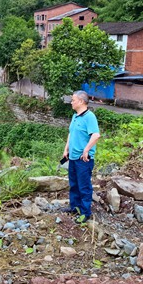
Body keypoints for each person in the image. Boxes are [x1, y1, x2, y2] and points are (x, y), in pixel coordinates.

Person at [62, 91, 101, 223]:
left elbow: (96, 135)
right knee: (73, 184)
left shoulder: (89, 117)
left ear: (81, 101)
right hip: (72, 157)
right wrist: (66, 149)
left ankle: (85, 212)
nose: (71, 102)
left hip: (83, 159)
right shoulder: (75, 116)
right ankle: (75, 207)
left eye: (73, 100)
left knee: (84, 186)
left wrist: (86, 150)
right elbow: (71, 133)